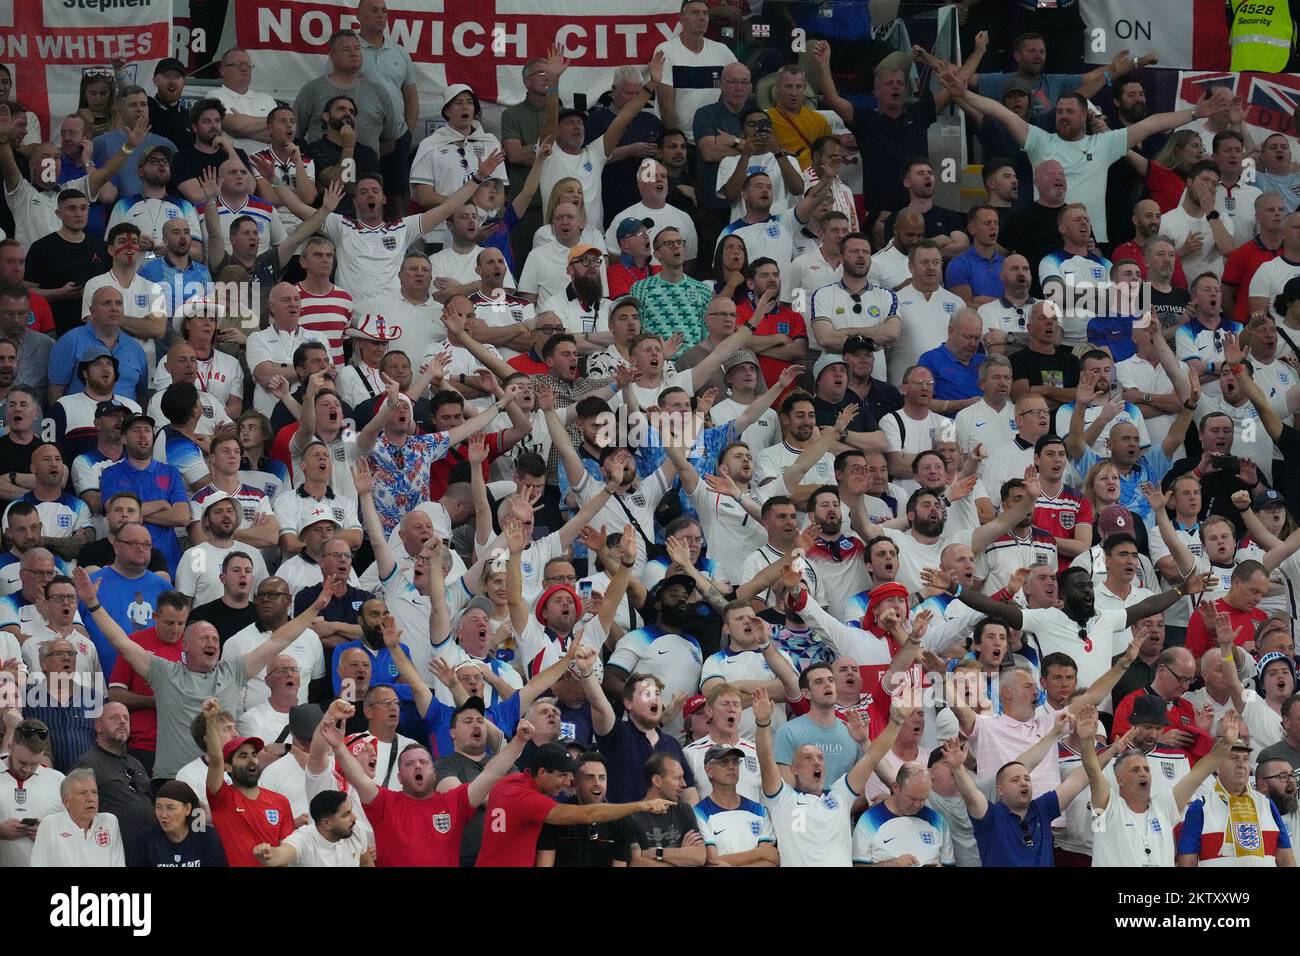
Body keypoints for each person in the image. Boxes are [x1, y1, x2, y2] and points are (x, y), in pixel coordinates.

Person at [754, 687, 907, 867]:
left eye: (820, 757)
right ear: (794, 768)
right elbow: (766, 761)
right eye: (808, 758)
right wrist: (763, 723)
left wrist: (897, 720)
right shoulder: (781, 799)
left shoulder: (840, 795)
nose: (817, 762)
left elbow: (872, 756)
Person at [1084, 710, 1242, 867]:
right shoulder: (1108, 807)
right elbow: (1092, 772)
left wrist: (1227, 744)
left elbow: (1197, 775)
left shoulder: (1164, 807)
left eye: (1146, 769)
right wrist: (1086, 741)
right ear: (1120, 780)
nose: (1143, 774)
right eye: (1135, 770)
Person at [200, 698, 295, 867]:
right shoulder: (222, 797)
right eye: (243, 756)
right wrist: (210, 720)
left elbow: (284, 856)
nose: (251, 760)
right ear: (228, 767)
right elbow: (215, 760)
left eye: (254, 754)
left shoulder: (280, 802)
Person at [0, 719, 64, 867]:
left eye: (34, 764)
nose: (27, 769)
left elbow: (79, 831)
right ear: (10, 747)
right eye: (22, 762)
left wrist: (50, 833)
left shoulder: (58, 780)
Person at [29, 768, 124, 867]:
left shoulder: (109, 822)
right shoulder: (50, 824)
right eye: (83, 793)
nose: (91, 798)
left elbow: (118, 863)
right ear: (66, 802)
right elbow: (38, 863)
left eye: (94, 792)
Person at [252, 789, 371, 867]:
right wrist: (269, 855)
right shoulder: (302, 839)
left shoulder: (355, 829)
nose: (354, 818)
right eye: (346, 814)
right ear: (326, 824)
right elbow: (281, 854)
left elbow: (365, 862)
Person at [126, 779, 227, 867]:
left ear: (187, 809)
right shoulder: (145, 840)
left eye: (170, 808)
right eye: (158, 807)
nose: (163, 815)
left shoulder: (207, 837)